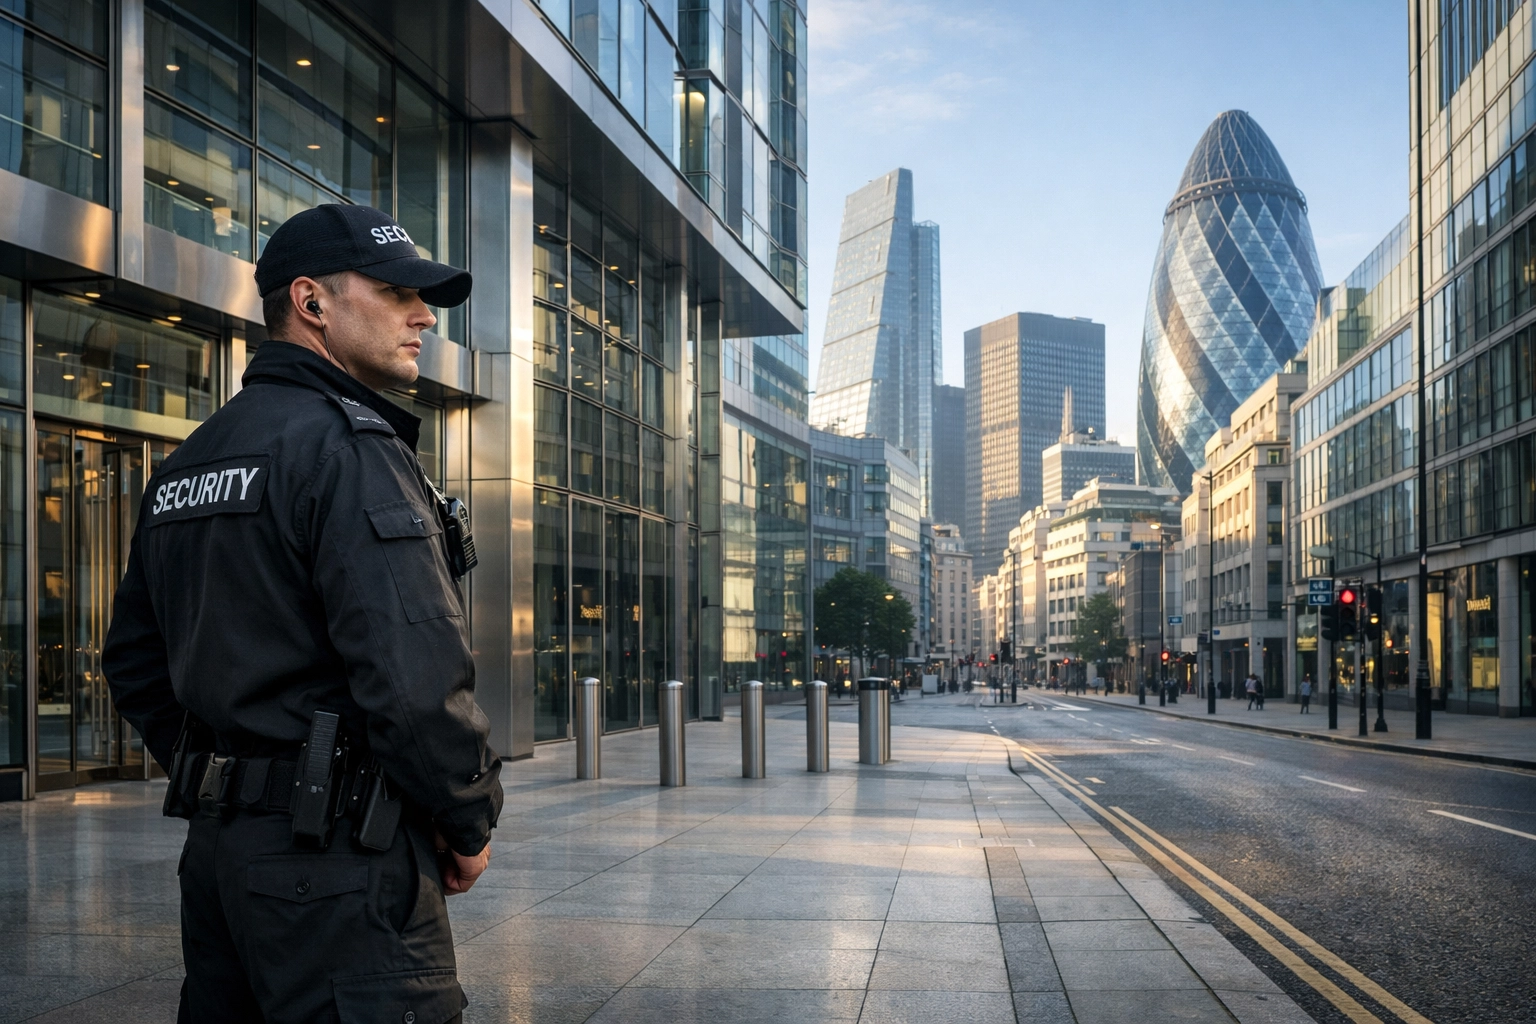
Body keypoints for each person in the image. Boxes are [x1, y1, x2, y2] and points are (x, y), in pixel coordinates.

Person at [103, 204, 504, 1023]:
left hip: (219, 862)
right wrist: (466, 817)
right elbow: (414, 674)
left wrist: (231, 776)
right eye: (397, 293)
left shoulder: (191, 461)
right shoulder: (350, 450)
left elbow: (135, 665)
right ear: (312, 302)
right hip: (337, 864)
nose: (423, 314)